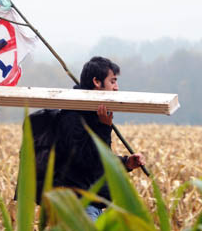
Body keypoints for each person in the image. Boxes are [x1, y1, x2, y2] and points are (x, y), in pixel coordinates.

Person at [53, 56, 146, 221]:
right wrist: (104, 128)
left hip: (93, 206)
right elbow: (86, 161)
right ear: (96, 82)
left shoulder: (92, 114)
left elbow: (97, 160)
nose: (116, 88)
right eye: (113, 81)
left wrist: (126, 163)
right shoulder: (72, 115)